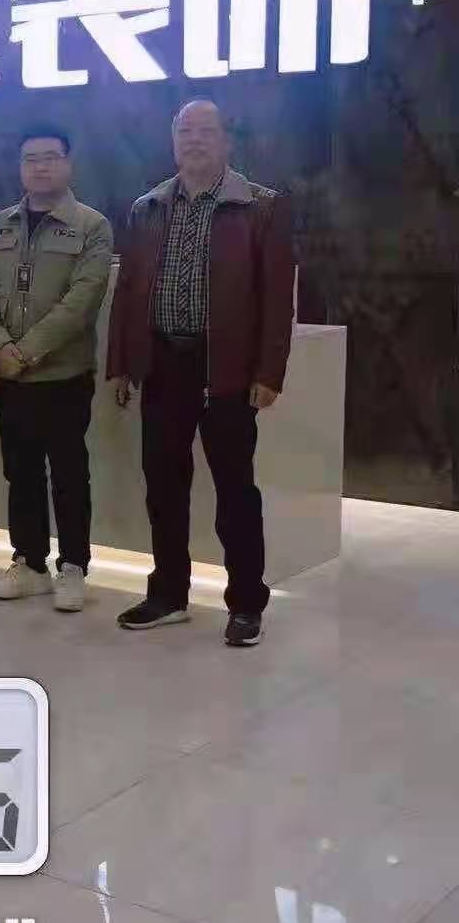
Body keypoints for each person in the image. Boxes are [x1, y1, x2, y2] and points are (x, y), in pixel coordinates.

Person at [107, 99, 295, 647]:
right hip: (162, 365)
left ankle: (246, 603)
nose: (194, 140)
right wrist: (121, 365)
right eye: (185, 130)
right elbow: (128, 293)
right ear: (173, 140)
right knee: (164, 487)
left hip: (226, 371)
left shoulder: (261, 207)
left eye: (205, 130)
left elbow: (277, 297)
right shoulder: (148, 207)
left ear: (227, 139)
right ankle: (168, 594)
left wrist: (270, 372)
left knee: (235, 492)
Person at [0, 125, 113, 612]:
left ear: (68, 164)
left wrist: (26, 351)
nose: (40, 167)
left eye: (51, 157)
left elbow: (82, 300)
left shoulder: (91, 226)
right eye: (31, 159)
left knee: (69, 472)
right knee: (20, 471)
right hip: (8, 374)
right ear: (20, 168)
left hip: (63, 374)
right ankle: (29, 563)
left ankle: (73, 566)